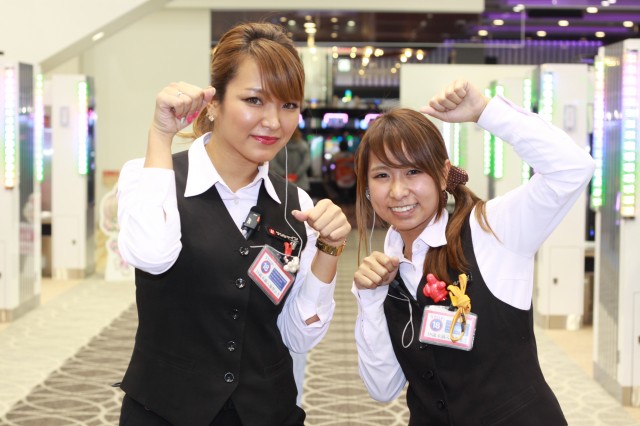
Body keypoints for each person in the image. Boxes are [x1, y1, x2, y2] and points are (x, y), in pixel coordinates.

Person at [116, 22, 351, 426]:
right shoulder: (149, 177)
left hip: (267, 413)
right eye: (254, 100)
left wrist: (329, 249)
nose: (273, 122)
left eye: (288, 105)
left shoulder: (297, 206)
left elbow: (299, 336)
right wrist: (160, 134)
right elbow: (152, 256)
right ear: (214, 102)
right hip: (164, 412)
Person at [351, 79, 594, 425]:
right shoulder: (385, 271)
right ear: (366, 187)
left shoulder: (489, 229)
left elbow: (573, 169)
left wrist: (485, 111)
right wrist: (370, 299)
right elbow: (382, 388)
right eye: (381, 175)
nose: (398, 190)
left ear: (442, 174)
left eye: (413, 171)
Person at [270, 128, 311, 192]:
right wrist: (296, 175)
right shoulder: (303, 145)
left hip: (281, 183)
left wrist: (284, 175)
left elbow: (272, 162)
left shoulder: (277, 145)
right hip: (301, 184)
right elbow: (306, 162)